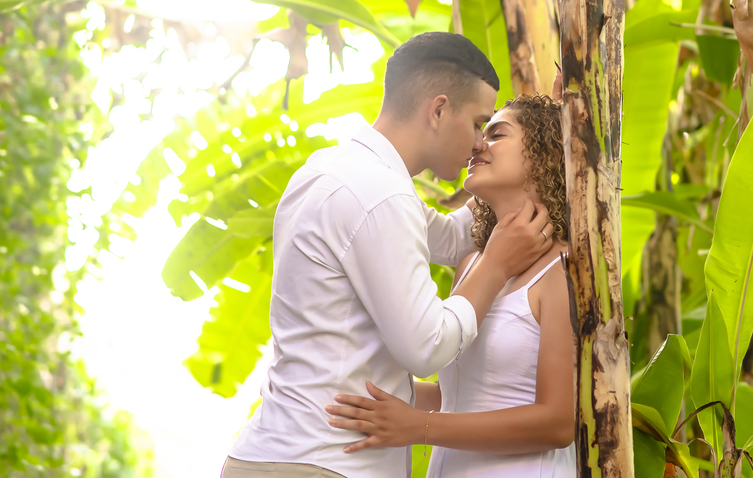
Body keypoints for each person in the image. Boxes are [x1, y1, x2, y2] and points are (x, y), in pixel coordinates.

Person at [222, 34, 556, 478]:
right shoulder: (382, 196)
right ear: (438, 110)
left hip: (274, 451)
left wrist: (534, 165)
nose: (480, 144)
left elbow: (451, 238)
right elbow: (427, 345)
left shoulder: (330, 170)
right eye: (478, 124)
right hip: (323, 463)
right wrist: (495, 266)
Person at [325, 94, 576, 477]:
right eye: (480, 132)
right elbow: (460, 396)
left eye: (497, 134)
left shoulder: (563, 272)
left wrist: (417, 427)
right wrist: (362, 387)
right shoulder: (472, 264)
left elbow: (557, 423)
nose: (478, 144)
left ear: (545, 155)